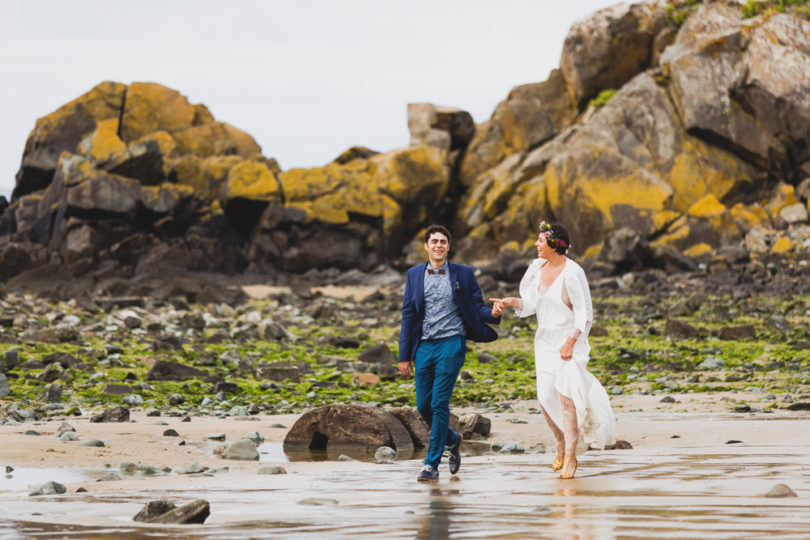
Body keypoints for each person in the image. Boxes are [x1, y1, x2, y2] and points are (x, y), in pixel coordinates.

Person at [490, 221, 615, 479]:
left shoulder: (573, 272)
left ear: (554, 245)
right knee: (545, 398)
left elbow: (585, 314)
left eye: (540, 240)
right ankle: (560, 441)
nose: (536, 244)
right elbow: (533, 304)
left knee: (566, 398)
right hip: (544, 341)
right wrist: (510, 301)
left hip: (570, 340)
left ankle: (570, 457)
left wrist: (570, 342)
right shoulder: (537, 267)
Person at [399, 224, 503, 482]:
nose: (438, 245)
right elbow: (408, 315)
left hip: (452, 342)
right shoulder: (413, 275)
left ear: (448, 246)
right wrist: (404, 355)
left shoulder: (463, 274)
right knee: (423, 406)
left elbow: (477, 306)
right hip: (424, 345)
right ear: (426, 246)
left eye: (443, 241)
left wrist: (493, 314)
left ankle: (431, 464)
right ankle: (452, 439)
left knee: (439, 403)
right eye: (434, 241)